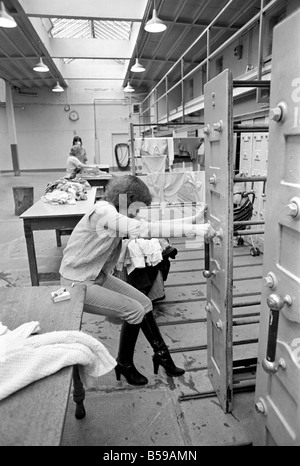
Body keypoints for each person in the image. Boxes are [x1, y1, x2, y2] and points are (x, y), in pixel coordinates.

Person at [59, 174, 216, 386]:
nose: (138, 213)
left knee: (144, 304)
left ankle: (162, 356)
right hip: (76, 282)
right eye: (138, 207)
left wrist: (194, 220)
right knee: (133, 311)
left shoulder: (115, 212)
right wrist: (195, 232)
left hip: (96, 276)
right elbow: (144, 229)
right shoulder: (104, 212)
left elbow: (152, 224)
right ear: (129, 198)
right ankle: (124, 364)